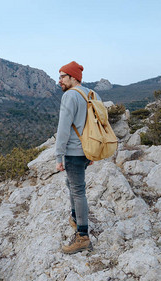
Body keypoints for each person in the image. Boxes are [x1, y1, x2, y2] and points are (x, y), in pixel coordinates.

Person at [55, 61, 99, 254]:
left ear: (73, 77)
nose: (60, 81)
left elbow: (63, 128)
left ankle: (82, 236)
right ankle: (74, 217)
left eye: (63, 76)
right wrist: (92, 151)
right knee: (72, 184)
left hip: (74, 152)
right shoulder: (92, 94)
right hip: (87, 150)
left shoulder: (70, 96)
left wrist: (58, 155)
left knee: (78, 191)